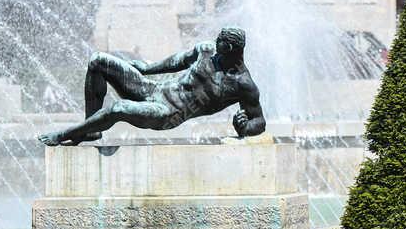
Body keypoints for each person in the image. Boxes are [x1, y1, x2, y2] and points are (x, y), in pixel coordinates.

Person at [38, 27, 265, 146]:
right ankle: (92, 130)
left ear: (233, 48)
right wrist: (147, 68)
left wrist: (245, 127)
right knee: (98, 60)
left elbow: (260, 122)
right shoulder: (206, 51)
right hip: (152, 90)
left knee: (118, 109)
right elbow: (177, 61)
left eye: (221, 45)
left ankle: (65, 134)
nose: (216, 46)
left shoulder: (242, 84)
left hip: (167, 113)